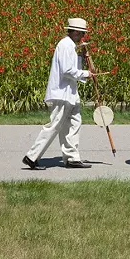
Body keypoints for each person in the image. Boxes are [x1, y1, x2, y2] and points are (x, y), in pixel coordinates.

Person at [22, 18, 94, 170]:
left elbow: (73, 67)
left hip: (70, 93)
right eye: (81, 33)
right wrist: (86, 73)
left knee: (74, 123)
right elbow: (67, 71)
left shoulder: (71, 46)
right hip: (62, 93)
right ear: (74, 31)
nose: (83, 36)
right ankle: (32, 156)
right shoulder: (65, 45)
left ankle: (72, 157)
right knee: (54, 125)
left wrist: (81, 57)